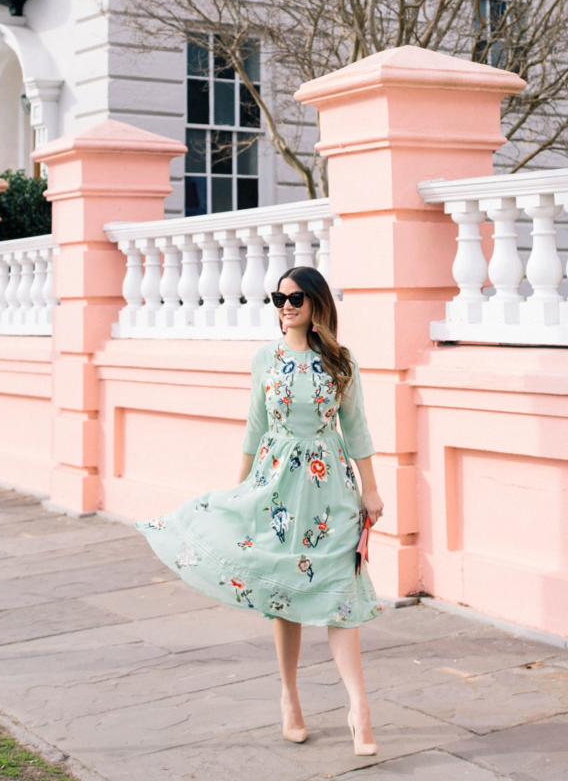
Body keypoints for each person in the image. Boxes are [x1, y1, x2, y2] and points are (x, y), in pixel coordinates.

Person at [136, 265, 384, 756]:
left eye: (294, 298)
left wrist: (370, 490)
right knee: (279, 588)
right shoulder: (265, 359)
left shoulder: (341, 362)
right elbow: (254, 426)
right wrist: (241, 489)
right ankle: (289, 699)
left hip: (329, 487)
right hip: (273, 486)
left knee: (341, 591)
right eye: (278, 298)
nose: (285, 306)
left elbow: (356, 431)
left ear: (316, 303)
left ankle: (359, 709)